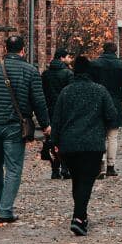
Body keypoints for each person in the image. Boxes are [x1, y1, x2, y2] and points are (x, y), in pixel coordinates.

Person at [0, 34, 49, 223]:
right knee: (13, 168)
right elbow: (38, 101)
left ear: (5, 50)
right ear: (23, 50)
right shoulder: (30, 71)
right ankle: (6, 209)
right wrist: (45, 125)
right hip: (14, 126)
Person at [51, 56, 119, 236]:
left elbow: (56, 120)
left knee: (77, 180)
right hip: (92, 144)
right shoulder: (100, 91)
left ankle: (81, 215)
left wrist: (55, 143)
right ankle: (79, 217)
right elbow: (112, 117)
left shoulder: (66, 92)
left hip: (69, 144)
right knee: (86, 181)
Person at [90, 41, 122, 177]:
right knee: (112, 136)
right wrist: (119, 98)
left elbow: (90, 83)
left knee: (99, 135)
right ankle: (111, 166)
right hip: (114, 101)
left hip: (98, 102)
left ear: (103, 50)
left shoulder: (94, 64)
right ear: (115, 51)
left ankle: (99, 166)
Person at [41, 48, 74, 179]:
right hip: (65, 112)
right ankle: (65, 169)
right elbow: (71, 94)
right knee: (65, 141)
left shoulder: (46, 74)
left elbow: (42, 94)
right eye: (67, 57)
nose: (69, 59)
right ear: (61, 58)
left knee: (52, 141)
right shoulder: (68, 73)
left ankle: (55, 169)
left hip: (50, 111)